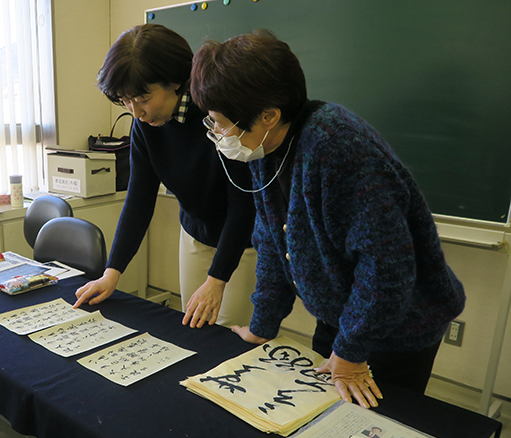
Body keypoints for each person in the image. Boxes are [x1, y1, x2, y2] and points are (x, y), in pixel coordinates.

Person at [189, 29, 466, 408]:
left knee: (372, 433)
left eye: (220, 123)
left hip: (398, 326)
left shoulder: (338, 147)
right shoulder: (265, 147)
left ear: (268, 115)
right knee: (319, 417)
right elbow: (271, 242)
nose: (218, 133)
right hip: (341, 316)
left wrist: (351, 354)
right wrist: (262, 328)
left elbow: (387, 267)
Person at [73, 24, 257, 329]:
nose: (136, 112)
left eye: (143, 98)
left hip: (242, 239)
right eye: (125, 100)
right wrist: (112, 272)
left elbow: (243, 202)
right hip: (194, 232)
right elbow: (139, 199)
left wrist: (217, 280)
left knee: (226, 339)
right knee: (193, 328)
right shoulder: (145, 126)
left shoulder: (218, 113)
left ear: (175, 80)